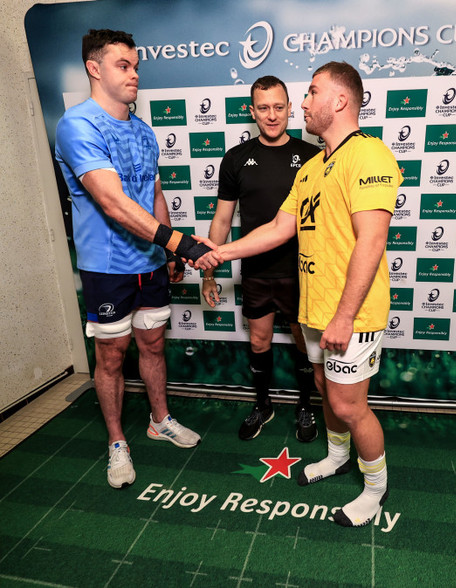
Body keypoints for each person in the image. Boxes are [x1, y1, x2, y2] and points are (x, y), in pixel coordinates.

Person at [195, 61, 402, 527]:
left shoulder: (369, 155)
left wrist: (345, 316)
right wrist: (220, 253)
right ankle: (335, 456)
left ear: (340, 101)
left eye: (311, 93)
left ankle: (374, 489)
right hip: (314, 308)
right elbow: (276, 228)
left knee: (350, 404)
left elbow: (371, 241)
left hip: (352, 315)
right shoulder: (311, 167)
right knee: (328, 391)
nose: (302, 103)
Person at [55, 29, 215, 489]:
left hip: (150, 263)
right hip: (107, 269)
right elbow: (114, 203)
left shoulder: (143, 130)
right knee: (110, 358)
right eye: (123, 65)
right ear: (94, 68)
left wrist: (166, 250)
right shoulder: (78, 124)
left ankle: (159, 420)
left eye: (136, 66)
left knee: (153, 345)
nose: (134, 74)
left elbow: (154, 195)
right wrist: (183, 243)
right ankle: (116, 442)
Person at [202, 76, 320, 442]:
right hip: (255, 271)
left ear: (290, 108)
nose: (272, 116)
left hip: (302, 272)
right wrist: (209, 271)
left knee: (304, 343)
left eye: (279, 107)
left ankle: (305, 405)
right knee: (259, 343)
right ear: (252, 112)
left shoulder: (313, 157)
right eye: (264, 108)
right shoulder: (235, 159)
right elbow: (222, 219)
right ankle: (263, 404)